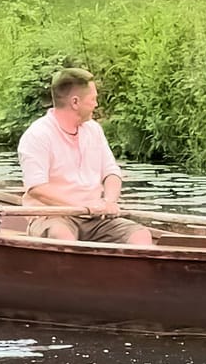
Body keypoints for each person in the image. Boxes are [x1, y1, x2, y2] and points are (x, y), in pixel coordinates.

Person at [17, 68, 155, 246]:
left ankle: (128, 272)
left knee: (141, 235)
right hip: (53, 216)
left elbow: (111, 173)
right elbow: (36, 188)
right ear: (75, 102)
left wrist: (109, 202)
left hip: (95, 217)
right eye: (93, 99)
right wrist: (82, 206)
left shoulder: (94, 130)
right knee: (62, 237)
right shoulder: (38, 135)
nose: (96, 104)